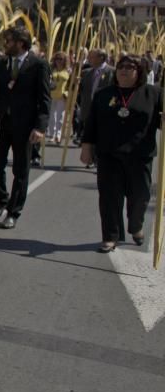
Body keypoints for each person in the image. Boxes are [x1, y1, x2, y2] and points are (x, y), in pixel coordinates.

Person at [81, 54, 162, 253]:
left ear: (139, 71)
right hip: (109, 154)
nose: (124, 70)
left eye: (130, 67)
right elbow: (92, 123)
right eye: (121, 66)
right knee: (109, 197)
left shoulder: (154, 94)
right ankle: (110, 236)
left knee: (140, 197)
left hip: (140, 155)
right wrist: (86, 147)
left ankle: (136, 225)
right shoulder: (103, 94)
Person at [0, 26, 51, 229]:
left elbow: (44, 98)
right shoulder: (1, 63)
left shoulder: (38, 65)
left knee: (21, 170)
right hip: (2, 122)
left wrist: (40, 127)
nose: (6, 45)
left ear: (21, 43)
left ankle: (14, 211)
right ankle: (1, 200)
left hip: (25, 125)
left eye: (9, 41)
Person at [47, 52, 70, 143]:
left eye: (61, 59)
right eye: (57, 59)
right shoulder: (51, 69)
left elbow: (70, 84)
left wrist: (67, 93)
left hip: (62, 96)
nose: (59, 61)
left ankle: (58, 135)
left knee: (60, 116)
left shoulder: (68, 70)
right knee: (52, 116)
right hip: (52, 95)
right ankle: (52, 134)